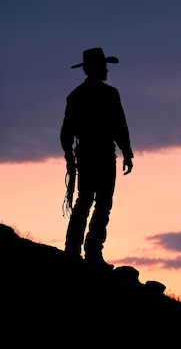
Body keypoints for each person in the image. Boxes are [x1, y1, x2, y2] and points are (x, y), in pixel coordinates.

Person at [60, 47, 134, 269]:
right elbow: (119, 125)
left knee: (86, 200)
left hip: (86, 153)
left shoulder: (76, 96)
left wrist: (69, 156)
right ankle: (91, 253)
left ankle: (74, 251)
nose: (107, 71)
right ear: (95, 68)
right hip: (102, 153)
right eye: (103, 67)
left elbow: (66, 131)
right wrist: (127, 151)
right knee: (100, 203)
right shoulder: (110, 94)